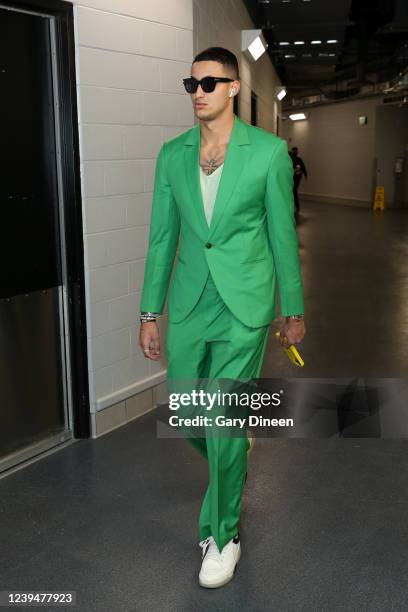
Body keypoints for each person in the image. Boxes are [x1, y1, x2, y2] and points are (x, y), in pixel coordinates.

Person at [138, 46, 306, 589]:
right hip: (189, 302)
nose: (199, 93)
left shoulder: (269, 153)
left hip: (246, 304)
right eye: (192, 84)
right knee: (189, 414)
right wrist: (149, 312)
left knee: (225, 417)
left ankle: (223, 533)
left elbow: (282, 236)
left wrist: (292, 308)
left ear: (234, 88)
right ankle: (233, 448)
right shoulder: (171, 154)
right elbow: (163, 237)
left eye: (210, 83)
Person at [289, 146, 308, 212]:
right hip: (295, 176)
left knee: (293, 190)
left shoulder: (297, 159)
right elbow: (303, 166)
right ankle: (296, 205)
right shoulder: (293, 158)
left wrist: (305, 174)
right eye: (295, 151)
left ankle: (295, 205)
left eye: (296, 151)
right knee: (293, 191)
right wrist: (305, 174)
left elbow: (302, 166)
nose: (296, 152)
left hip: (296, 177)